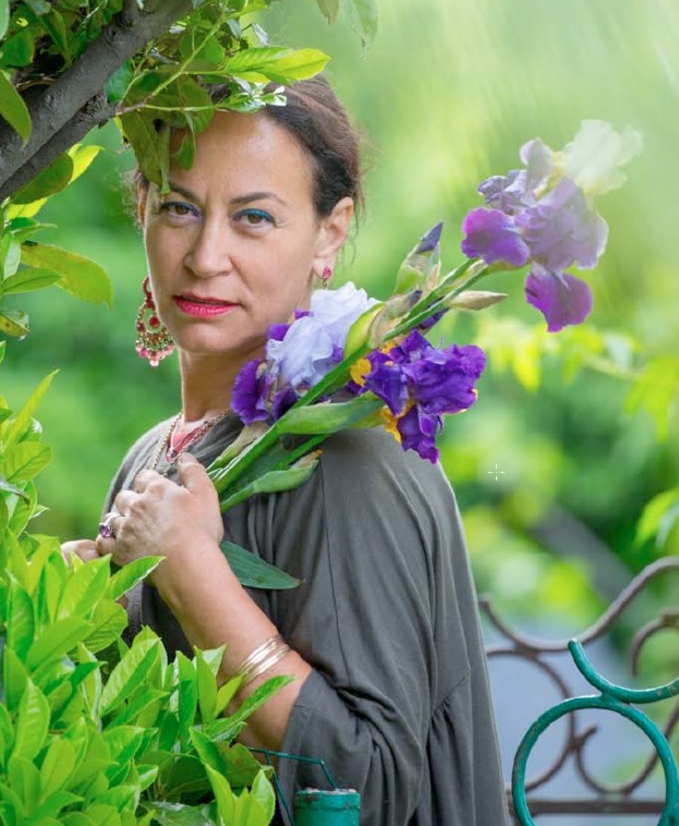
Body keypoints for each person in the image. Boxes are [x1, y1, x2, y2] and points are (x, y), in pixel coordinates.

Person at [64, 75, 508, 826]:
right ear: (140, 207)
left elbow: (367, 792)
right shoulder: (152, 456)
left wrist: (196, 574)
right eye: (179, 206)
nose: (206, 257)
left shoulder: (352, 459)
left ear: (329, 234)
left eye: (255, 218)